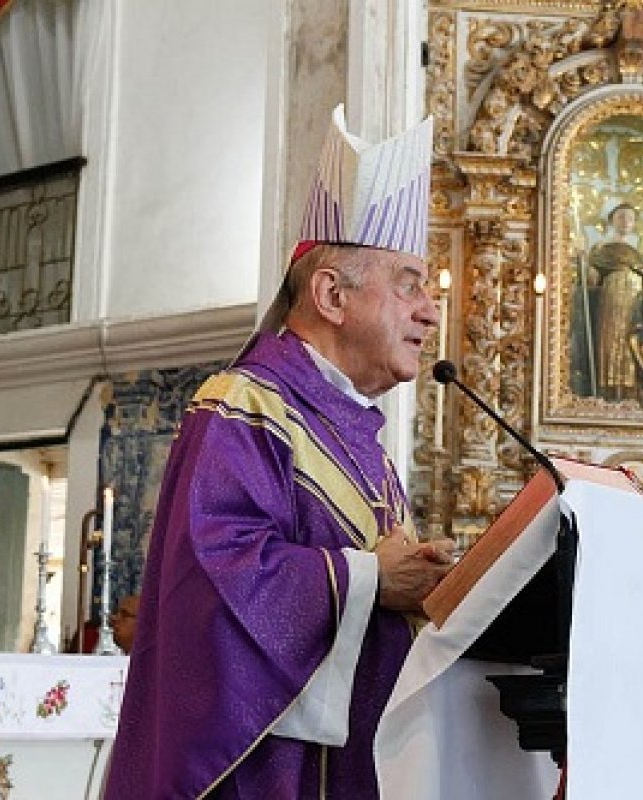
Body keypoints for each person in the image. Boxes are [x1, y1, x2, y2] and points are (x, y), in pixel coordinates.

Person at [103, 105, 454, 799]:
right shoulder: (242, 406)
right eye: (409, 283)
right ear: (330, 293)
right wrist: (370, 580)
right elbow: (212, 583)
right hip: (264, 775)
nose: (430, 310)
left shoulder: (360, 437)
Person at [584, 203, 643, 402]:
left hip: (635, 299)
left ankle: (632, 389)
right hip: (612, 295)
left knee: (632, 339)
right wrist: (589, 269)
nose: (626, 221)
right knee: (613, 339)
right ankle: (611, 388)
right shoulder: (602, 248)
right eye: (621, 216)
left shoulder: (638, 252)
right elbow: (592, 277)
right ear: (612, 220)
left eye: (630, 217)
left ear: (635, 223)